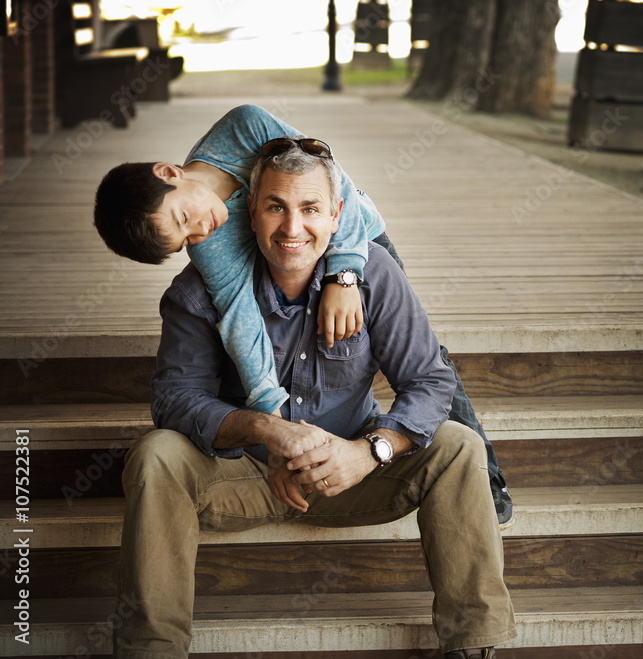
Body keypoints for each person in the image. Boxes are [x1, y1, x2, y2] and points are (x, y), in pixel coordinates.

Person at [112, 140, 516, 659]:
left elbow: (431, 382)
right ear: (250, 211)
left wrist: (370, 451)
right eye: (275, 207)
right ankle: (152, 651)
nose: (292, 228)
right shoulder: (199, 291)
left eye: (309, 209)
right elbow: (174, 400)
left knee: (459, 446)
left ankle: (473, 644)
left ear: (336, 215)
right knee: (156, 454)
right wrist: (266, 431)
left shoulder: (371, 274)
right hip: (246, 477)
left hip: (352, 472)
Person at [93, 105, 512, 527]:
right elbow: (241, 319)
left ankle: (488, 479)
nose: (199, 230)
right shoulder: (209, 245)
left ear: (169, 172)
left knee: (423, 351)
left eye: (184, 217)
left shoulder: (244, 127)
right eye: (183, 239)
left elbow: (327, 180)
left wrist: (345, 274)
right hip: (280, 253)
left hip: (354, 232)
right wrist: (274, 426)